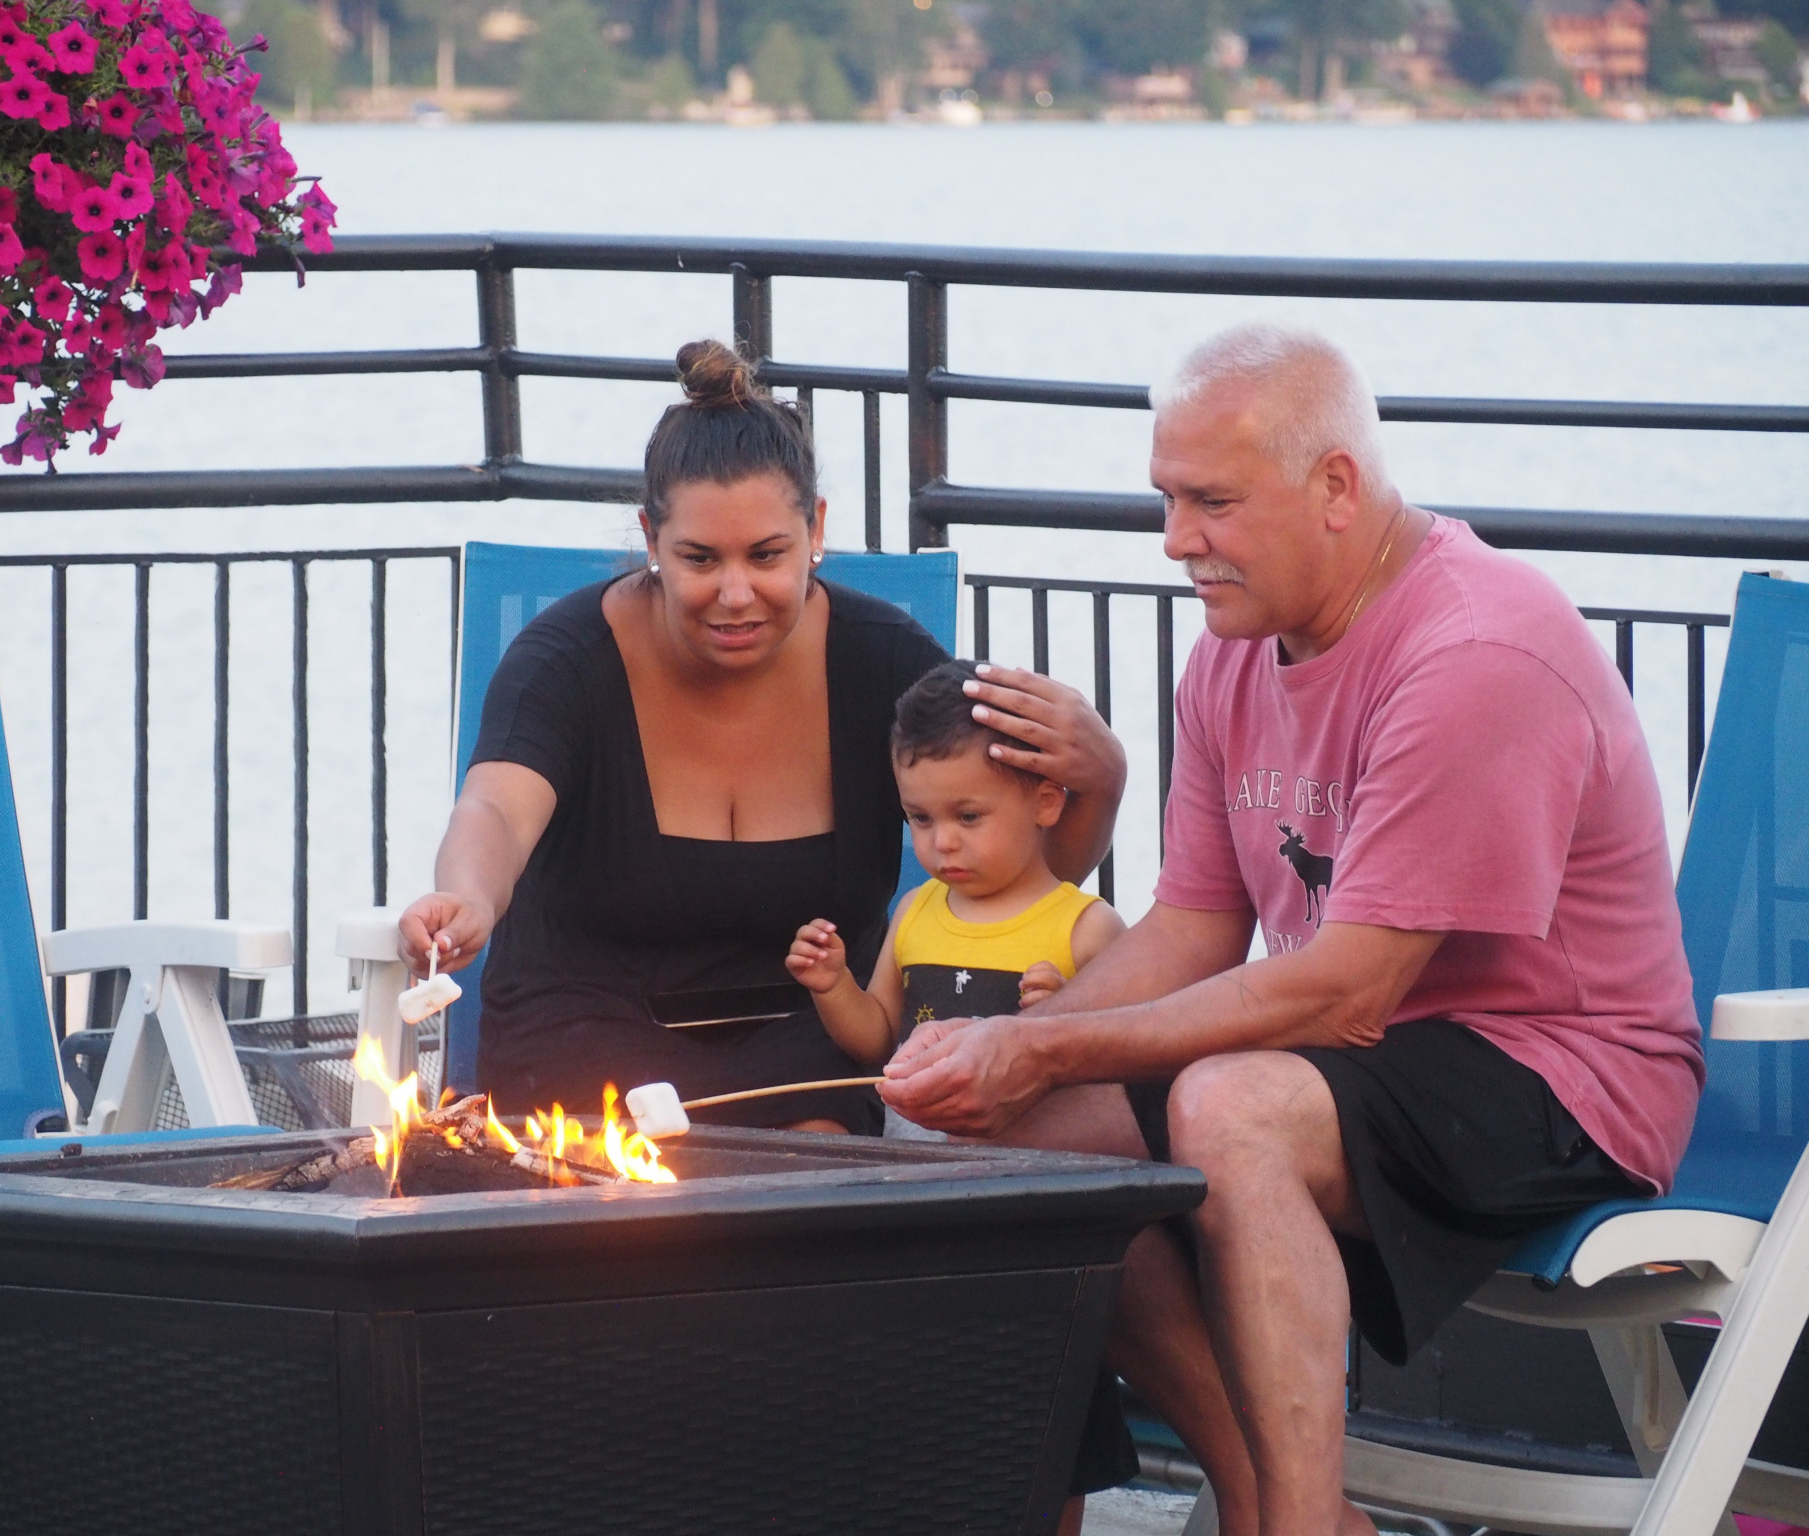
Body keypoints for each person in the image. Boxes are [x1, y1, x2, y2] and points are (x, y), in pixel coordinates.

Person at [877, 323, 1704, 1536]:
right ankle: (1273, 1498)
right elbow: (1194, 931)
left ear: (1334, 488)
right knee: (1020, 1142)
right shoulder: (1232, 658)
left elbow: (1343, 994)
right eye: (1164, 499)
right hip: (1364, 1065)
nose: (1174, 542)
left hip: (1566, 1077)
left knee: (1226, 1104)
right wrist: (993, 1054)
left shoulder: (1471, 650)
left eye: (1211, 501)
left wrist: (1046, 1045)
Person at [397, 339, 1126, 1134]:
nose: (735, 594)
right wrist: (467, 896)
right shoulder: (563, 661)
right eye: (700, 558)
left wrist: (1105, 779)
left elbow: (1023, 869)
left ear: (815, 528)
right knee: (639, 1201)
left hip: (810, 1042)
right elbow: (497, 810)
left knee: (812, 1167)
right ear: (650, 539)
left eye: (768, 555)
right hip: (583, 1044)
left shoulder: (886, 660)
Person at [785, 658, 1125, 1101]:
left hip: (1039, 1161)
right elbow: (879, 1038)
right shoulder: (915, 910)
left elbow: (1125, 1064)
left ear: (1045, 803)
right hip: (916, 1158)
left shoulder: (1087, 927)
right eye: (921, 818)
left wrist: (1062, 1015)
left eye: (968, 816)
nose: (942, 841)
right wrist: (834, 986)